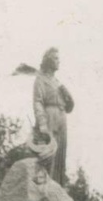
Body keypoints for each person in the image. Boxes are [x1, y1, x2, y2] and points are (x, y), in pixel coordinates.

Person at [32, 48, 75, 187]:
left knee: (61, 154)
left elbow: (69, 108)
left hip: (62, 116)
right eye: (56, 58)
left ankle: (58, 187)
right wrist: (42, 123)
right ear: (49, 60)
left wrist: (69, 99)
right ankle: (44, 186)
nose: (59, 61)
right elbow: (38, 101)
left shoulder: (57, 82)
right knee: (49, 152)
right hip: (49, 114)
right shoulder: (40, 79)